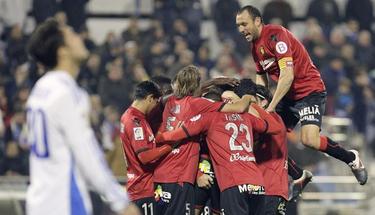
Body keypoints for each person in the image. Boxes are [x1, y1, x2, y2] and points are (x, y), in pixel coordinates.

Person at [236, 5, 367, 187]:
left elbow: (287, 75)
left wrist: (271, 106)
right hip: (288, 96)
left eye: (244, 24)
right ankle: (298, 175)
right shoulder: (254, 47)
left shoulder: (276, 35)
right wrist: (262, 99)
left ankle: (351, 158)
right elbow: (261, 74)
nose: (241, 29)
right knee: (264, 136)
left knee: (309, 140)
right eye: (238, 25)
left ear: (257, 21)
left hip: (309, 91)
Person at [26, 18, 139, 215]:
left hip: (38, 202)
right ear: (63, 51)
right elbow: (87, 153)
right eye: (72, 35)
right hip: (64, 203)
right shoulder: (68, 93)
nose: (79, 38)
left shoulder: (39, 90)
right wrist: (120, 202)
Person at [155, 88, 283, 215]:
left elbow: (176, 135)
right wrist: (251, 103)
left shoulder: (209, 118)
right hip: (257, 183)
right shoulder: (247, 117)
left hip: (233, 183)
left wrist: (159, 137)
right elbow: (276, 127)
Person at [153, 65, 255, 215]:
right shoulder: (198, 103)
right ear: (197, 86)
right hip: (180, 174)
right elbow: (239, 108)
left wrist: (212, 82)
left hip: (162, 174)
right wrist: (248, 94)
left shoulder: (169, 103)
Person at [120, 80, 174, 215]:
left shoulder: (131, 116)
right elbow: (144, 157)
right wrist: (169, 147)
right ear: (150, 98)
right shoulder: (135, 121)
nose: (156, 106)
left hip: (138, 188)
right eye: (156, 102)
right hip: (142, 189)